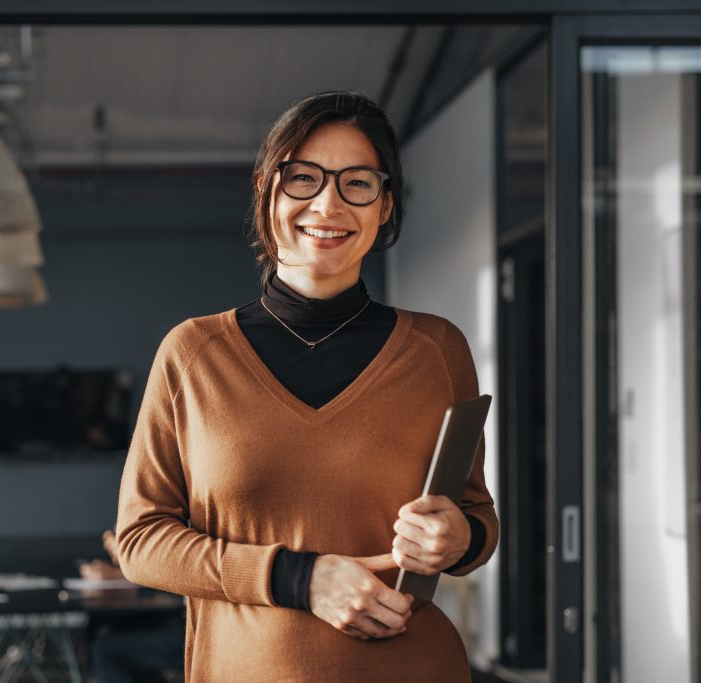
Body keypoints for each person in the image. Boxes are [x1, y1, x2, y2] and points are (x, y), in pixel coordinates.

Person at [115, 91, 499, 682]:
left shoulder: (436, 349)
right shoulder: (193, 353)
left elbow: (477, 519)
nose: (328, 203)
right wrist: (301, 577)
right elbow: (141, 542)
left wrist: (460, 538)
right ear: (268, 192)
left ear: (385, 204)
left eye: (358, 183)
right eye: (304, 178)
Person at [79, 531, 184, 683]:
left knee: (105, 650)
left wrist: (122, 572)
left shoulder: (179, 535)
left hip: (189, 631)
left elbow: (179, 579)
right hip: (174, 622)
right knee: (106, 635)